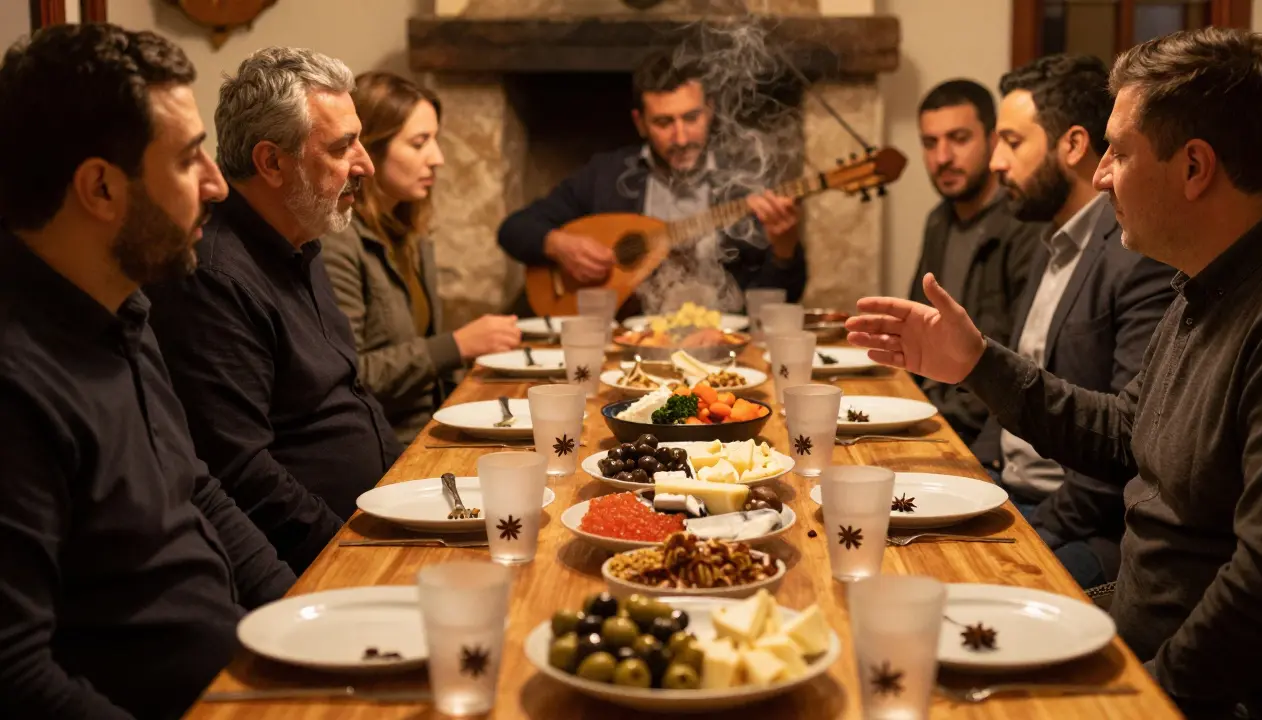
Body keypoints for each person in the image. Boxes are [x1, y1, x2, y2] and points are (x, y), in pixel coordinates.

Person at [847, 27, 1262, 719]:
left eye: (1119, 151)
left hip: (1192, 687)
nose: (1101, 172)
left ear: (1194, 168)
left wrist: (1144, 696)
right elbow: (1121, 435)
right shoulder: (1200, 286)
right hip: (1136, 632)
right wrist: (977, 363)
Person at [0, 24, 295, 718]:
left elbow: (199, 492)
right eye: (191, 159)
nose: (218, 185)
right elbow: (15, 675)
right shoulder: (16, 385)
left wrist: (309, 616)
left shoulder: (125, 304)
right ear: (101, 187)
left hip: (248, 678)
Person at [147, 47, 403, 575]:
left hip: (381, 518)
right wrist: (351, 557)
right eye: (343, 146)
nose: (366, 165)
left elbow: (347, 398)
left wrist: (416, 487)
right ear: (271, 162)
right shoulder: (215, 276)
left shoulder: (302, 236)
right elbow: (241, 473)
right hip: (324, 559)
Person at [973, 54, 1177, 589]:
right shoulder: (1051, 240)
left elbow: (1123, 449)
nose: (994, 162)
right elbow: (1019, 382)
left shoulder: (1139, 258)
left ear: (1072, 145)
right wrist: (974, 479)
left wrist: (1033, 530)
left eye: (1012, 142)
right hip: (1011, 491)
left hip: (1080, 527)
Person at [497, 49, 805, 318]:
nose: (681, 138)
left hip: (719, 341)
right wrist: (558, 245)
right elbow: (513, 229)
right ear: (640, 123)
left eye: (691, 118)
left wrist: (784, 249)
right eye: (664, 123)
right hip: (624, 341)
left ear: (709, 111)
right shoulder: (607, 175)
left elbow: (781, 299)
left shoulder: (743, 183)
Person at [321, 72, 521, 445]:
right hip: (384, 442)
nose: (438, 159)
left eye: (435, 140)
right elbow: (350, 375)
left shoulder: (409, 231)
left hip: (429, 429)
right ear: (371, 149)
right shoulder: (339, 241)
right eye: (419, 143)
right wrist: (456, 345)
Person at [910, 79, 1043, 445]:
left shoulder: (1025, 226)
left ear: (992, 139)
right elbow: (918, 328)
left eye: (959, 138)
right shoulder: (939, 220)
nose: (943, 157)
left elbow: (1019, 363)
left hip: (983, 437)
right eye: (930, 142)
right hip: (933, 417)